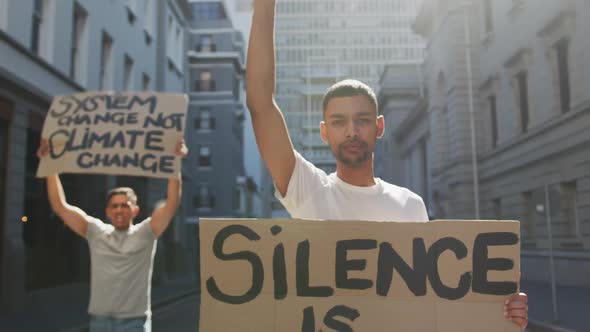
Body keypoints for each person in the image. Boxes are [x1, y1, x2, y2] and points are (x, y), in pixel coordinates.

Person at [245, 0, 528, 330]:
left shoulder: (411, 206)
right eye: (339, 122)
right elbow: (260, 104)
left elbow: (435, 305)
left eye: (362, 120)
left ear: (379, 127)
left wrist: (501, 312)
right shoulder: (308, 191)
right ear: (324, 131)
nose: (352, 131)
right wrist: (264, 6)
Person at [37, 139, 188, 332]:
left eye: (125, 205)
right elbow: (60, 207)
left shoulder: (146, 232)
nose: (119, 210)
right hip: (100, 322)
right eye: (114, 206)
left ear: (135, 210)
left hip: (134, 322)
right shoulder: (96, 231)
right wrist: (50, 165)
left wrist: (175, 163)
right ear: (108, 211)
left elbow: (171, 204)